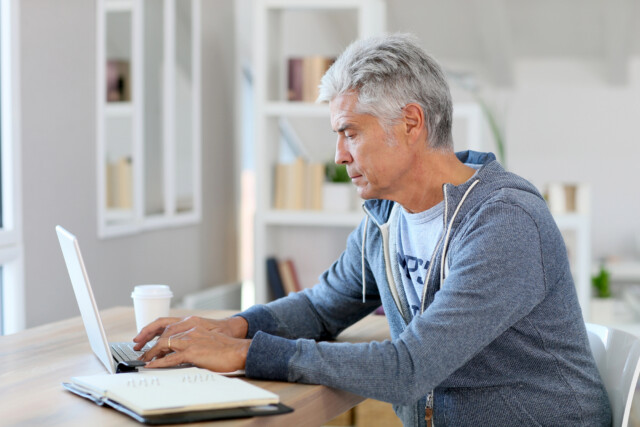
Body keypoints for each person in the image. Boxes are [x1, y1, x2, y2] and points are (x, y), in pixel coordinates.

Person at [134, 33, 611, 426]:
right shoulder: (385, 219)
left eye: (351, 133)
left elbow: (411, 367)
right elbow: (321, 308)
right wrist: (232, 326)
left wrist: (245, 353)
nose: (340, 156)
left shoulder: (504, 221)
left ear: (410, 123)